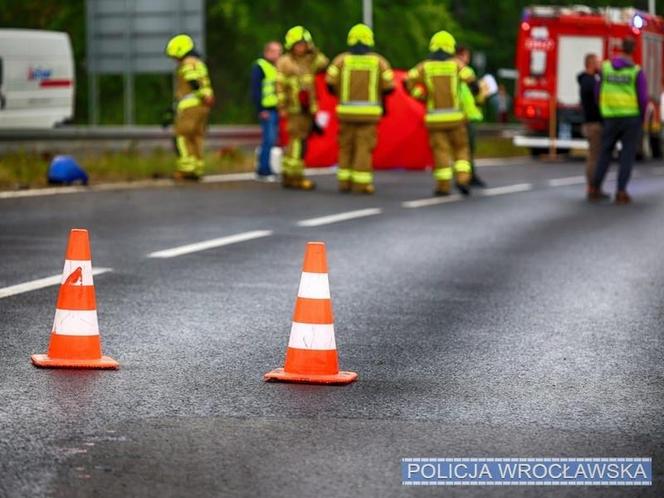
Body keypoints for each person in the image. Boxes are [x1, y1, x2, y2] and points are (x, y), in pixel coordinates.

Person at [325, 23, 394, 194]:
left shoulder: (341, 60)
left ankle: (344, 182)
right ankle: (361, 184)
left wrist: (341, 95)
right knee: (364, 147)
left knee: (345, 146)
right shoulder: (379, 61)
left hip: (346, 112)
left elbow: (329, 82)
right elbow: (389, 87)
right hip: (369, 114)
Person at [405, 31, 472, 196]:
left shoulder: (425, 67)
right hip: (456, 118)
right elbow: (471, 78)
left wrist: (421, 96)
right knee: (461, 149)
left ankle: (443, 186)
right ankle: (463, 179)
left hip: (435, 119)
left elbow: (407, 81)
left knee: (441, 152)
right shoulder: (456, 65)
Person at [589, 38, 648, 205]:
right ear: (633, 50)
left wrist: (602, 109)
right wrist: (641, 118)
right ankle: (621, 192)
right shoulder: (636, 72)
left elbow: (597, 90)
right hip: (631, 118)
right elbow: (642, 98)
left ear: (620, 49)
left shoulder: (606, 68)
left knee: (605, 152)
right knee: (627, 156)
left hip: (610, 117)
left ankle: (595, 187)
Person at [275, 26, 329, 190]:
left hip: (307, 109)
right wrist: (282, 106)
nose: (301, 47)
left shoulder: (310, 61)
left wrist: (313, 51)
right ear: (290, 46)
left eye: (304, 44)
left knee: (301, 141)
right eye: (298, 44)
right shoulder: (285, 62)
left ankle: (291, 174)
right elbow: (279, 86)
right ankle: (294, 177)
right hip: (294, 109)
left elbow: (325, 63)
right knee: (297, 141)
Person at [164, 34, 215, 180]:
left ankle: (186, 169)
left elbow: (192, 80)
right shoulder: (198, 62)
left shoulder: (187, 63)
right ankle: (197, 168)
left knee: (181, 136)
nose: (174, 59)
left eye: (174, 55)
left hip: (190, 106)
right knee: (196, 137)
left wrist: (201, 94)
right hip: (202, 106)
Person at [251, 41, 282, 181]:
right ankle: (263, 170)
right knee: (268, 140)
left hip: (274, 109)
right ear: (267, 52)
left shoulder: (275, 67)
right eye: (275, 51)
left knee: (272, 140)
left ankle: (267, 168)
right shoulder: (260, 66)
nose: (278, 54)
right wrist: (260, 109)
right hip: (266, 110)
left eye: (279, 51)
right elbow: (255, 90)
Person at [456, 44, 486, 188]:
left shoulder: (451, 70)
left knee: (464, 149)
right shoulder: (464, 71)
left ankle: (467, 176)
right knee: (465, 149)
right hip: (464, 115)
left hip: (461, 114)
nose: (468, 59)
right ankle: (466, 178)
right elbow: (472, 92)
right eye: (467, 55)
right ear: (461, 55)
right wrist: (482, 92)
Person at [577, 53, 602, 192]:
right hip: (594, 124)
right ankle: (592, 186)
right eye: (597, 62)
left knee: (594, 155)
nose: (600, 65)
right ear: (591, 63)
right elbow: (596, 102)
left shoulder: (588, 80)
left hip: (590, 123)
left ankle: (594, 186)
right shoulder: (590, 82)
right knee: (594, 156)